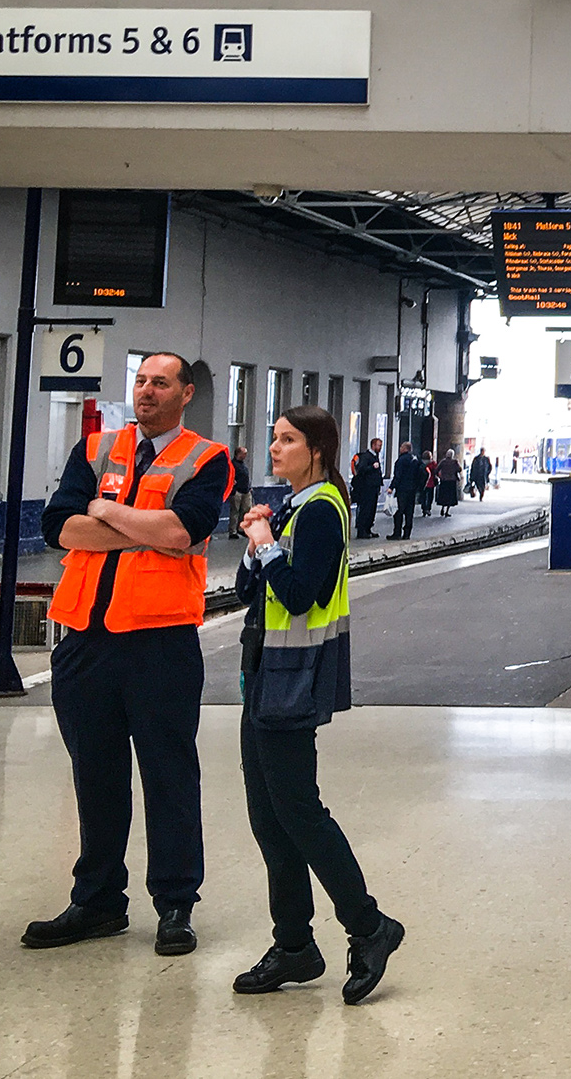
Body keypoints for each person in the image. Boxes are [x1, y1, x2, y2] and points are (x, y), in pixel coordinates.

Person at [25, 352, 232, 957]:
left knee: (170, 776)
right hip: (85, 641)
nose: (146, 391)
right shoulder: (95, 449)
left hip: (160, 642)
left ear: (185, 393)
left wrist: (106, 511)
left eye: (160, 383)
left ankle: (175, 905)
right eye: (140, 381)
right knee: (95, 775)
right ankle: (97, 901)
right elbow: (57, 526)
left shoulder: (206, 458)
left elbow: (183, 532)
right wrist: (144, 528)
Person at [232, 405, 404, 1004]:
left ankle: (369, 926)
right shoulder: (291, 508)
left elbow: (301, 595)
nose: (274, 448)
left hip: (293, 677)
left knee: (299, 811)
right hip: (265, 673)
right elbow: (251, 591)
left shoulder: (324, 510)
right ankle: (294, 945)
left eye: (287, 440)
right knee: (268, 816)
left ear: (318, 451)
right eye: (274, 437)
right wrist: (256, 547)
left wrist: (266, 547)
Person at [350, 437, 383, 539]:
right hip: (367, 488)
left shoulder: (375, 456)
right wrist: (372, 467)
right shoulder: (366, 456)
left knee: (372, 510)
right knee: (365, 509)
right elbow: (361, 469)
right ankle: (362, 530)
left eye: (381, 446)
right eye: (378, 445)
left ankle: (368, 529)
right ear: (373, 445)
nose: (380, 448)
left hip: (374, 487)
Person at [388, 442, 421, 539]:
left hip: (402, 489)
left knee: (399, 511)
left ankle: (397, 533)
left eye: (401, 447)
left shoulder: (401, 460)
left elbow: (398, 475)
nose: (400, 448)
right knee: (409, 512)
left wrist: (392, 487)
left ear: (405, 448)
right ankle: (407, 533)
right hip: (412, 489)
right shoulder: (415, 459)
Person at [229, 445, 254, 539]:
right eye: (244, 453)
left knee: (246, 509)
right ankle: (233, 531)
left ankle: (241, 528)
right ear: (238, 454)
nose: (245, 455)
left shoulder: (243, 465)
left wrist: (249, 487)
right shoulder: (233, 464)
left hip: (245, 490)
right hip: (237, 491)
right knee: (235, 511)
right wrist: (233, 489)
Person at [435, 449, 463, 517]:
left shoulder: (443, 461)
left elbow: (437, 470)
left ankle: (442, 508)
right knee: (450, 497)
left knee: (444, 496)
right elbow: (459, 469)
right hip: (452, 481)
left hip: (444, 481)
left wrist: (440, 476)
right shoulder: (454, 462)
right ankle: (447, 511)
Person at [418, 450, 437, 516]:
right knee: (430, 497)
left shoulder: (421, 463)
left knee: (423, 496)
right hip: (431, 482)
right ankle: (428, 508)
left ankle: (424, 508)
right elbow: (436, 471)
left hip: (423, 482)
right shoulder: (433, 463)